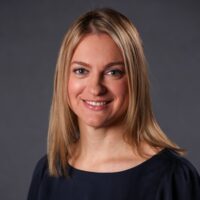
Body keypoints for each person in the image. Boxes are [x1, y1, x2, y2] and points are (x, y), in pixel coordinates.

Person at [27, 8, 200, 200]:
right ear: (63, 79)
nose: (95, 88)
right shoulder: (48, 172)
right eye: (81, 70)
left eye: (113, 72)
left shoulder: (173, 177)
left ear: (135, 80)